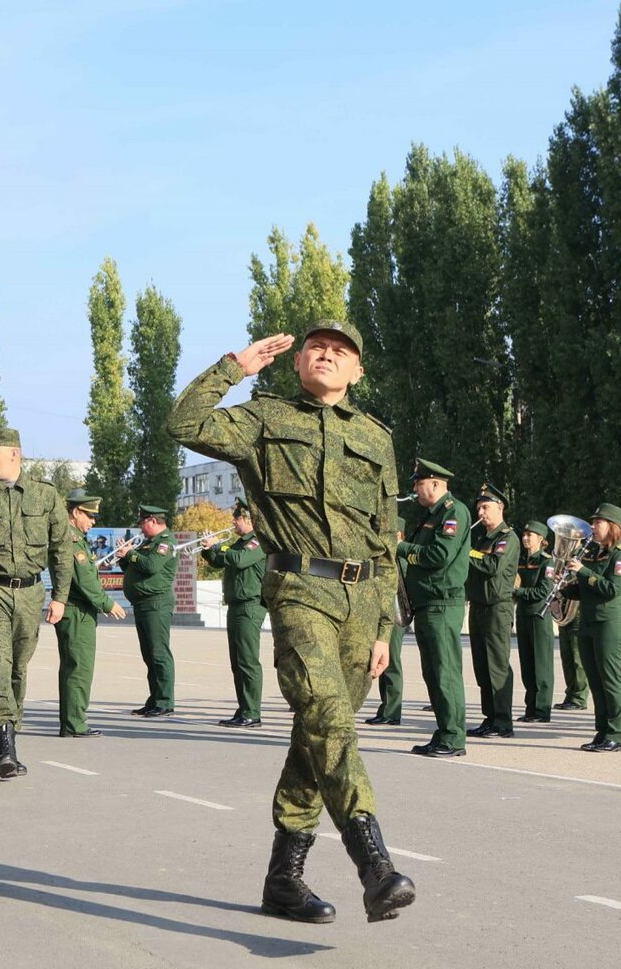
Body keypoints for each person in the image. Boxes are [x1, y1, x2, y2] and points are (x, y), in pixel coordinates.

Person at [170, 322, 415, 925]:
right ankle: (374, 863)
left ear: (357, 372)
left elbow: (386, 538)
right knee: (329, 717)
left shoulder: (376, 438)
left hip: (363, 603)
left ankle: (284, 879)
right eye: (316, 348)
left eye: (342, 351)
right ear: (298, 361)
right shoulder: (263, 420)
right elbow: (184, 424)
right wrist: (236, 366)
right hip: (300, 588)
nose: (327, 355)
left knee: (315, 737)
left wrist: (386, 624)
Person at [0, 428, 71, 779]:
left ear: (14, 455)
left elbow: (61, 549)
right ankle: (4, 745)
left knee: (19, 667)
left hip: (30, 593)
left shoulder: (44, 496)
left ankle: (10, 732)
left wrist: (60, 596)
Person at [400, 458, 471, 758]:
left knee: (445, 673)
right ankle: (444, 731)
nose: (414, 490)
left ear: (435, 484)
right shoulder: (433, 515)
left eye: (418, 484)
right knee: (433, 673)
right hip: (428, 603)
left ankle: (454, 737)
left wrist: (402, 548)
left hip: (442, 603)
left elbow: (440, 554)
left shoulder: (452, 512)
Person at [56, 491, 127, 737]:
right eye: (89, 516)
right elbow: (84, 579)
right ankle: (75, 724)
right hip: (77, 613)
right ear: (75, 513)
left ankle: (71, 721)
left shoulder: (75, 538)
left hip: (75, 611)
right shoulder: (73, 541)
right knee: (79, 668)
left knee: (73, 667)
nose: (93, 522)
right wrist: (107, 604)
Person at [564, 504, 621, 752]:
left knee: (610, 679)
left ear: (611, 526)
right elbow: (585, 590)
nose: (592, 527)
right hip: (589, 622)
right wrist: (564, 587)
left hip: (609, 624)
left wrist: (583, 571)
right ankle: (602, 731)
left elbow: (612, 589)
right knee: (595, 679)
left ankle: (616, 733)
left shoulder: (620, 556)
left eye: (598, 523)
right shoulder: (593, 553)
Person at [202, 499, 268, 728]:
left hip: (250, 606)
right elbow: (221, 560)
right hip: (236, 605)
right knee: (237, 662)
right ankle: (243, 709)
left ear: (249, 519)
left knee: (248, 661)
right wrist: (209, 550)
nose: (233, 522)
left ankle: (252, 712)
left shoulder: (257, 542)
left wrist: (218, 546)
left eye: (237, 518)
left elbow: (238, 561)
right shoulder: (239, 543)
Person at [466, 484, 521, 738]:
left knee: (497, 666)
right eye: (479, 507)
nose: (481, 512)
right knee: (482, 666)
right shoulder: (482, 538)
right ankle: (490, 717)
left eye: (485, 507)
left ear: (500, 508)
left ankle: (503, 721)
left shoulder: (506, 538)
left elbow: (492, 566)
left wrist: (466, 552)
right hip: (478, 606)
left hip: (497, 608)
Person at [120, 505, 179, 718]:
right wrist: (124, 557)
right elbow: (134, 567)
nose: (141, 529)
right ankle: (154, 699)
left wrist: (131, 554)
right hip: (143, 603)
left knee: (159, 653)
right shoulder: (148, 543)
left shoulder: (166, 543)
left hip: (157, 603)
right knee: (149, 654)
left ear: (153, 521)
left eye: (143, 523)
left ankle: (165, 701)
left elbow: (151, 565)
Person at [514, 520, 557, 722]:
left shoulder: (546, 562)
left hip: (539, 616)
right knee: (527, 664)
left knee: (541, 665)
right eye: (524, 535)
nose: (525, 538)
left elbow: (543, 591)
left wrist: (517, 592)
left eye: (529, 535)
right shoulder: (521, 559)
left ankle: (542, 711)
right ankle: (530, 708)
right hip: (523, 614)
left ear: (541, 539)